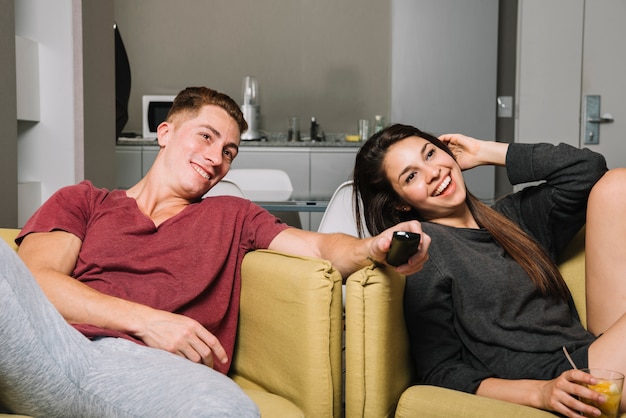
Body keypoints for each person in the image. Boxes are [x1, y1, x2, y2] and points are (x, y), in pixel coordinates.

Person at [0, 88, 429, 417]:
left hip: (154, 373)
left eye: (229, 152)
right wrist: (151, 321)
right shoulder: (85, 200)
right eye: (206, 137)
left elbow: (318, 244)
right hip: (53, 346)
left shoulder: (233, 215)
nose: (216, 159)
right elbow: (36, 283)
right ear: (164, 133)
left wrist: (371, 246)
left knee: (230, 410)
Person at [352, 123, 626, 417]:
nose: (433, 172)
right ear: (400, 204)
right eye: (411, 176)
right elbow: (440, 370)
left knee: (617, 184)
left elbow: (588, 169)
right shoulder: (424, 252)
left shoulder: (513, 217)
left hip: (591, 351)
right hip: (563, 379)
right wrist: (540, 393)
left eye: (430, 154)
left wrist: (486, 152)